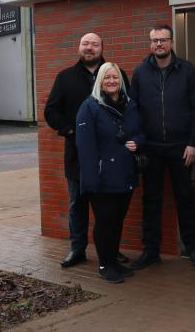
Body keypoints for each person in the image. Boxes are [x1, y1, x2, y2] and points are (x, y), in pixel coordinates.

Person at [44, 33, 130, 268]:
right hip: (78, 156)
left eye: (94, 44)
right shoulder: (65, 78)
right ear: (79, 48)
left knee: (111, 208)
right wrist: (71, 131)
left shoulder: (116, 75)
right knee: (78, 204)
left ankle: (111, 250)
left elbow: (128, 107)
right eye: (85, 44)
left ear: (102, 48)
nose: (89, 48)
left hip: (112, 156)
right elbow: (51, 112)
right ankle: (78, 248)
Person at [129, 25, 195, 269]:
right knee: (151, 201)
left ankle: (192, 247)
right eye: (154, 40)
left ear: (172, 42)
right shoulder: (140, 72)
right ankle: (151, 251)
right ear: (150, 44)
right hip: (151, 148)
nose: (159, 44)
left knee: (185, 198)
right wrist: (139, 143)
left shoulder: (187, 70)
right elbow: (133, 112)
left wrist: (193, 143)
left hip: (180, 148)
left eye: (163, 40)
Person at [76, 62, 143, 283]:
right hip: (102, 177)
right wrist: (91, 180)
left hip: (125, 174)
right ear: (100, 81)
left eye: (115, 77)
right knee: (105, 221)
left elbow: (140, 132)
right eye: (107, 77)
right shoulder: (90, 106)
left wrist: (136, 142)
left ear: (121, 81)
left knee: (117, 221)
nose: (112, 81)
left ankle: (113, 261)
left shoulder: (130, 105)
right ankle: (105, 265)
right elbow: (85, 148)